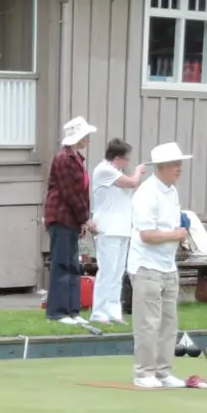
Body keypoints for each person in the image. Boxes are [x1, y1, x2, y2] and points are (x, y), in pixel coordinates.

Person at [129, 142, 194, 390]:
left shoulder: (171, 191)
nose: (180, 168)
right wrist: (176, 235)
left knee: (168, 323)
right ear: (161, 167)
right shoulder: (146, 194)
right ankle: (144, 373)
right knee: (148, 323)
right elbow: (147, 234)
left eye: (180, 163)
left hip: (168, 266)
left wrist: (180, 235)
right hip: (146, 266)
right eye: (175, 164)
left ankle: (163, 372)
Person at [44, 115, 96, 325]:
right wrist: (85, 218)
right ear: (78, 137)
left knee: (74, 264)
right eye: (86, 136)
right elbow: (70, 193)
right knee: (62, 263)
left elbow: (81, 193)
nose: (88, 139)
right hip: (61, 217)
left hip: (73, 219)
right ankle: (57, 312)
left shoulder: (76, 158)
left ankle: (73, 311)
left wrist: (82, 220)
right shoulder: (63, 159)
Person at [88, 138, 145, 325]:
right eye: (126, 159)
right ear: (117, 157)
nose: (128, 162)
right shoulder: (104, 170)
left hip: (122, 228)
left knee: (118, 272)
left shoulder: (117, 172)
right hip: (108, 227)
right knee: (107, 270)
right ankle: (99, 311)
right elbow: (131, 183)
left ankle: (113, 310)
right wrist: (138, 173)